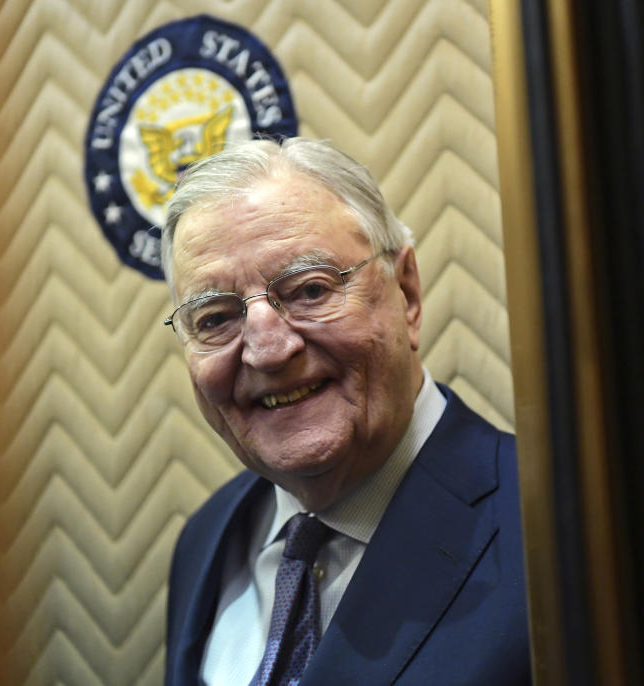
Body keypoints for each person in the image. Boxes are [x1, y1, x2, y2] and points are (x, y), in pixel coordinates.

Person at [160, 137, 530, 685]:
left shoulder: (547, 529)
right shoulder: (208, 538)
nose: (267, 349)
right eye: (214, 319)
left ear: (406, 294)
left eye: (310, 289)